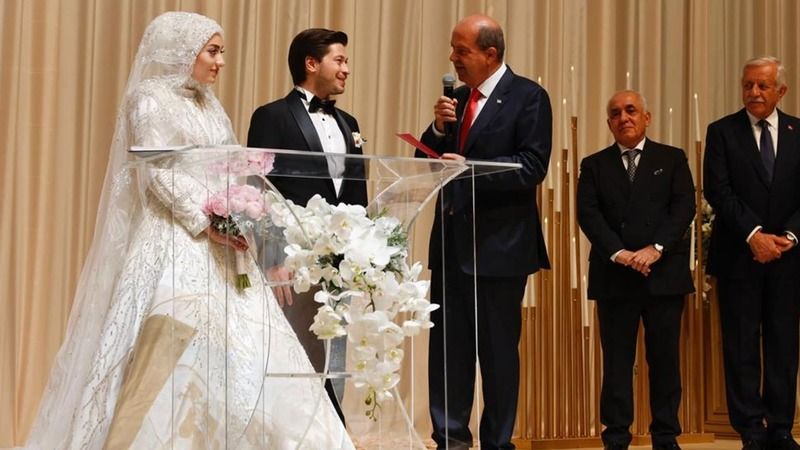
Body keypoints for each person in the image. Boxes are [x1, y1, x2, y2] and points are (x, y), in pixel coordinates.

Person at [15, 12, 353, 449]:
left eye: (222, 52)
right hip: (173, 236)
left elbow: (230, 166)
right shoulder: (149, 98)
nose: (220, 62)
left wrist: (240, 208)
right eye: (212, 51)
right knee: (172, 338)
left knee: (247, 346)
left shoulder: (210, 103)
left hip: (225, 245)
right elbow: (156, 171)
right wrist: (207, 217)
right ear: (182, 50)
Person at [415, 14, 551, 449]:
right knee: (448, 353)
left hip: (500, 249)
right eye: (453, 49)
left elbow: (531, 167)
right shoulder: (457, 99)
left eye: (462, 50)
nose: (452, 58)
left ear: (490, 54)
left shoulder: (528, 97)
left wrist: (469, 169)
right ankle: (450, 440)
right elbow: (427, 163)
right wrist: (439, 130)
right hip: (452, 247)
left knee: (497, 355)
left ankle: (497, 442)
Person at [247, 28, 367, 421]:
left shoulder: (350, 123)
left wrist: (362, 252)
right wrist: (271, 258)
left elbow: (357, 192)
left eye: (346, 61)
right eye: (339, 60)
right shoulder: (271, 117)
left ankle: (331, 430)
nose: (346, 69)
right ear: (311, 64)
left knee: (336, 352)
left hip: (340, 262)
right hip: (290, 263)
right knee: (292, 355)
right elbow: (260, 191)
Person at [577, 90, 695, 450]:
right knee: (616, 364)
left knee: (664, 361)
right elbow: (589, 215)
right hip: (615, 275)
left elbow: (683, 208)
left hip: (664, 274)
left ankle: (665, 436)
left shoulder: (672, 158)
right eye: (615, 113)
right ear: (608, 123)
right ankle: (615, 438)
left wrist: (655, 249)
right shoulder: (594, 165)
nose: (623, 117)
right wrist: (620, 253)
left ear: (647, 117)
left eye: (631, 110)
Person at [704, 56, 800, 450]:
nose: (754, 92)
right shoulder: (722, 132)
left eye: (762, 85)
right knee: (741, 345)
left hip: (789, 259)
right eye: (748, 85)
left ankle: (781, 428)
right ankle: (751, 430)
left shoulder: (798, 131)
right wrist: (755, 235)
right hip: (739, 256)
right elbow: (718, 190)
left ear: (781, 90)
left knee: (783, 344)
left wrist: (789, 236)